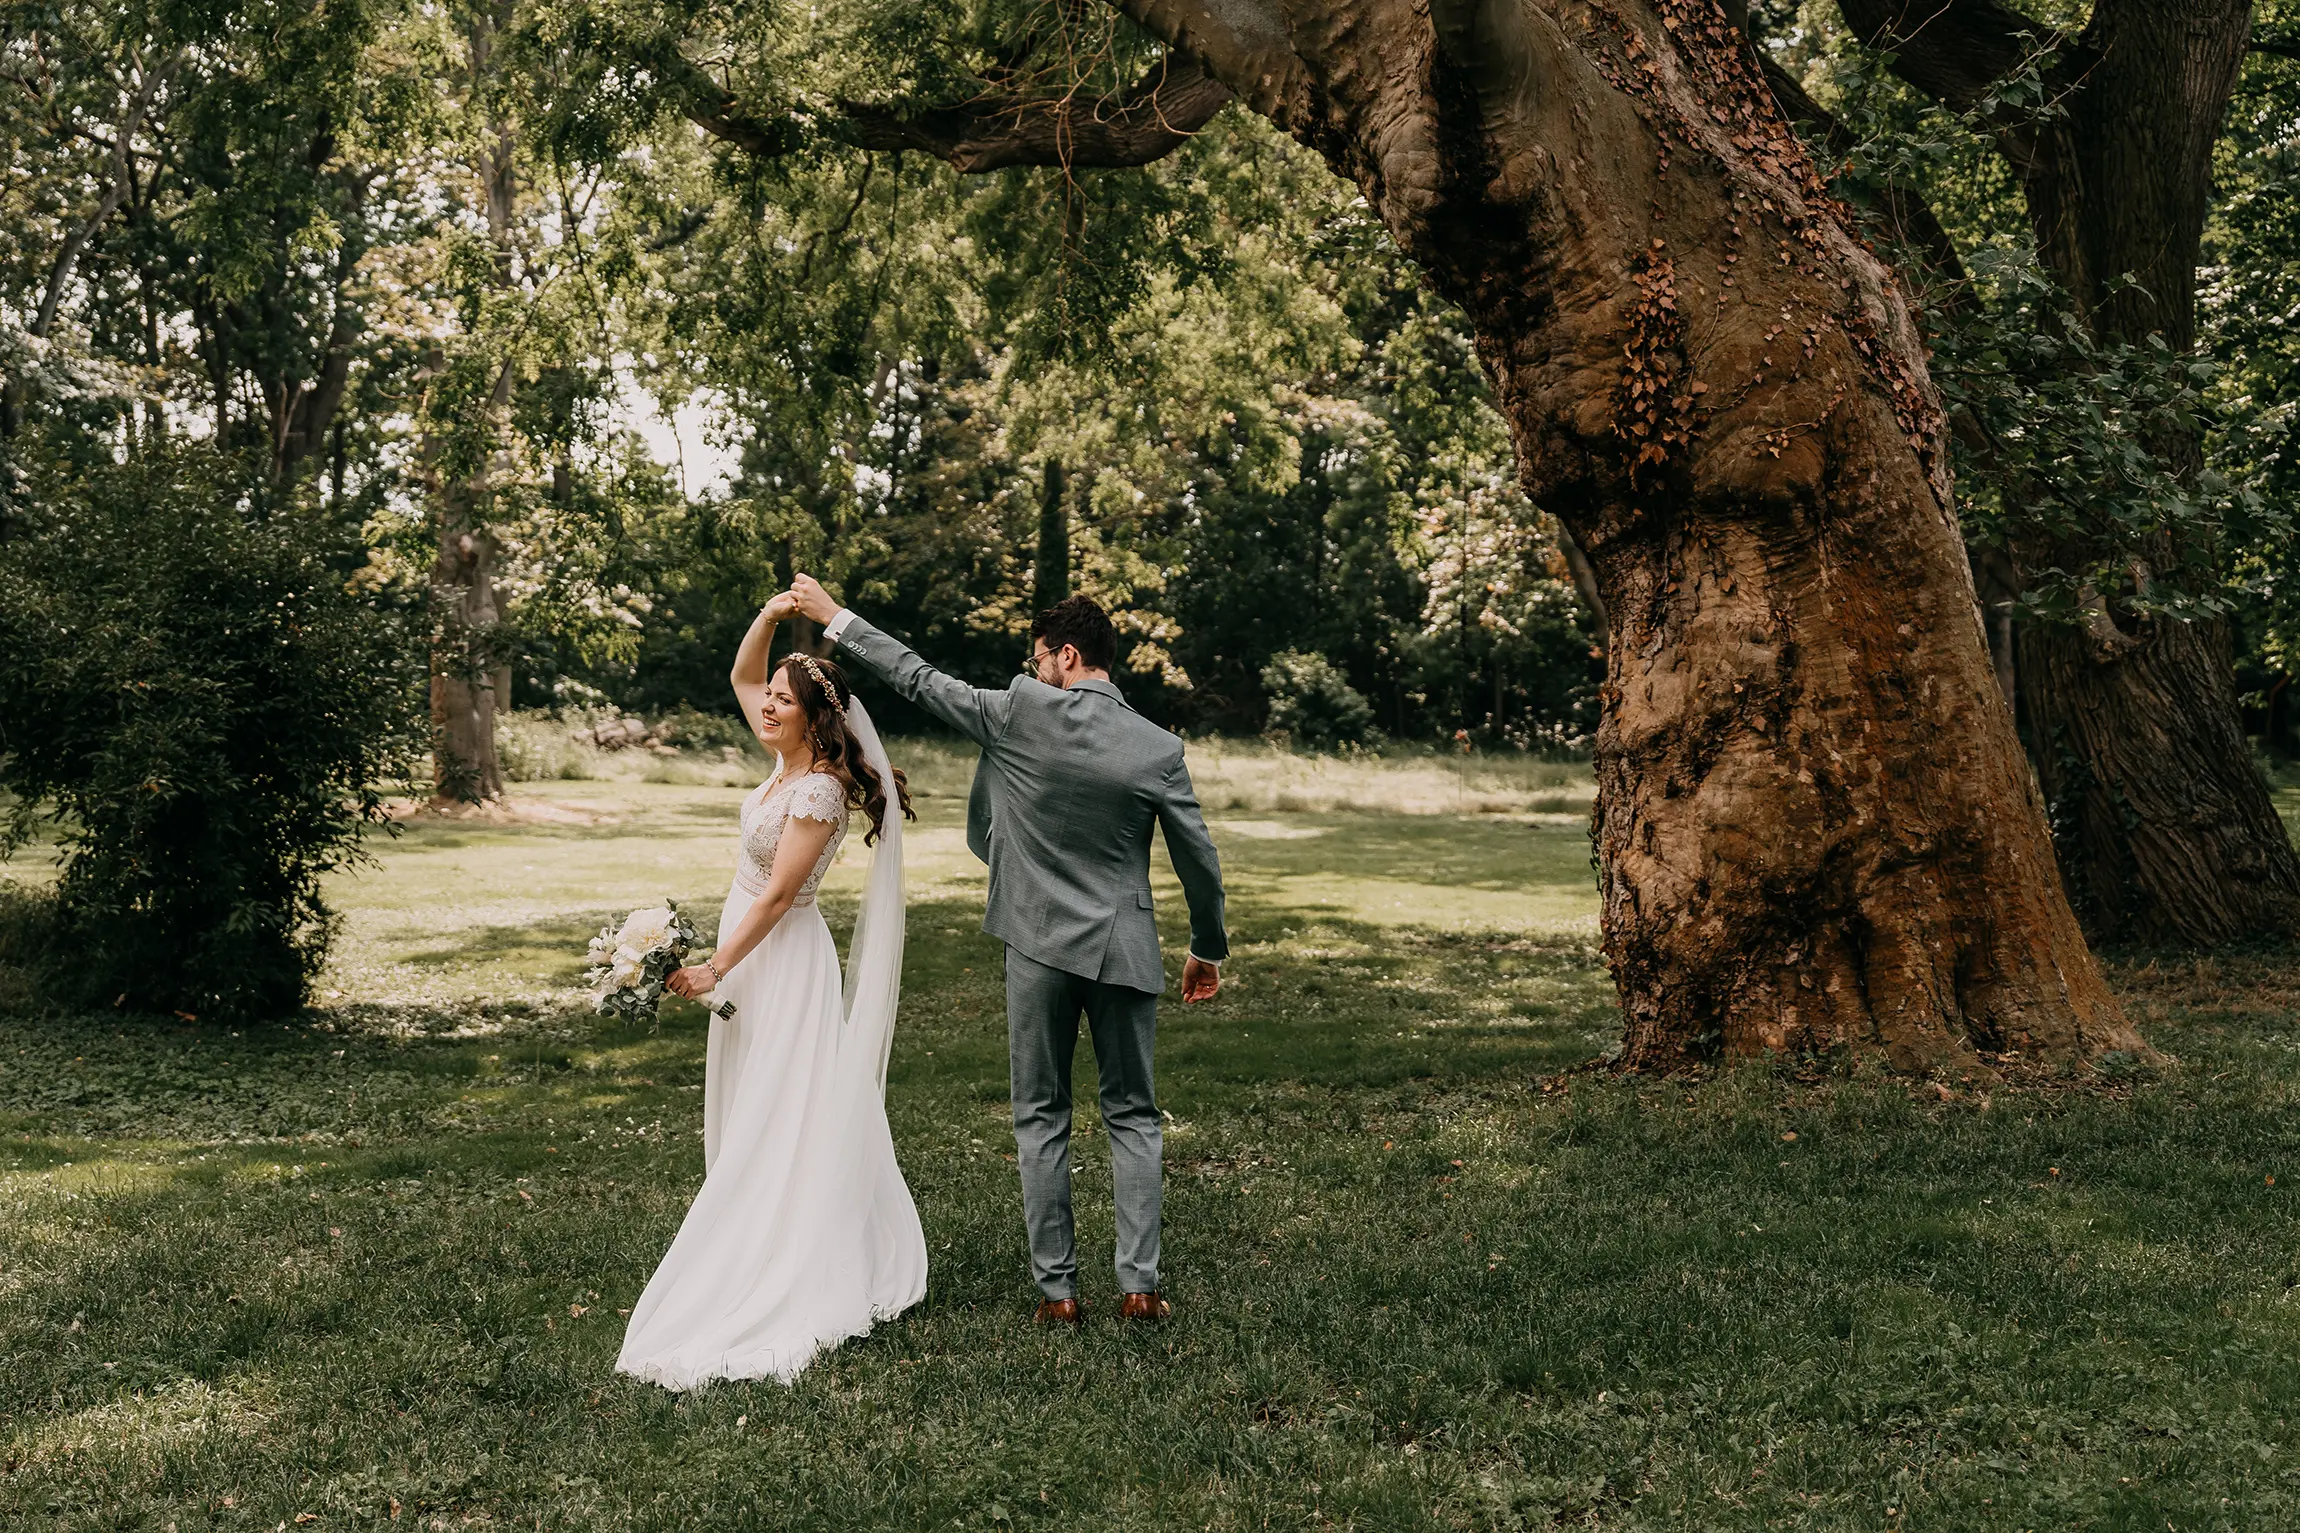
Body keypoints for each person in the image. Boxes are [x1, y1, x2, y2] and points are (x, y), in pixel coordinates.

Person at [787, 574, 1228, 1325]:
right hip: (1124, 946)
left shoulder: (1019, 712)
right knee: (1133, 1115)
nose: (1031, 673)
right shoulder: (1159, 747)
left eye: (1037, 660)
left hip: (1033, 941)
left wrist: (837, 620)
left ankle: (1058, 1296)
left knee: (1041, 1114)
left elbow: (918, 677)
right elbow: (1198, 856)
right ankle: (1140, 1286)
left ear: (1065, 655)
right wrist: (1205, 946)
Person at [615, 592, 924, 1388]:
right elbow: (742, 669)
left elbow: (781, 896)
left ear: (811, 717)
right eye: (770, 698)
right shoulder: (783, 759)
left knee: (782, 1106)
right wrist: (770, 611)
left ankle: (780, 1244)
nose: (766, 706)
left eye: (782, 701)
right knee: (755, 1092)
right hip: (749, 948)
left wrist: (718, 965)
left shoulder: (818, 788)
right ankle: (752, 1218)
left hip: (780, 958)